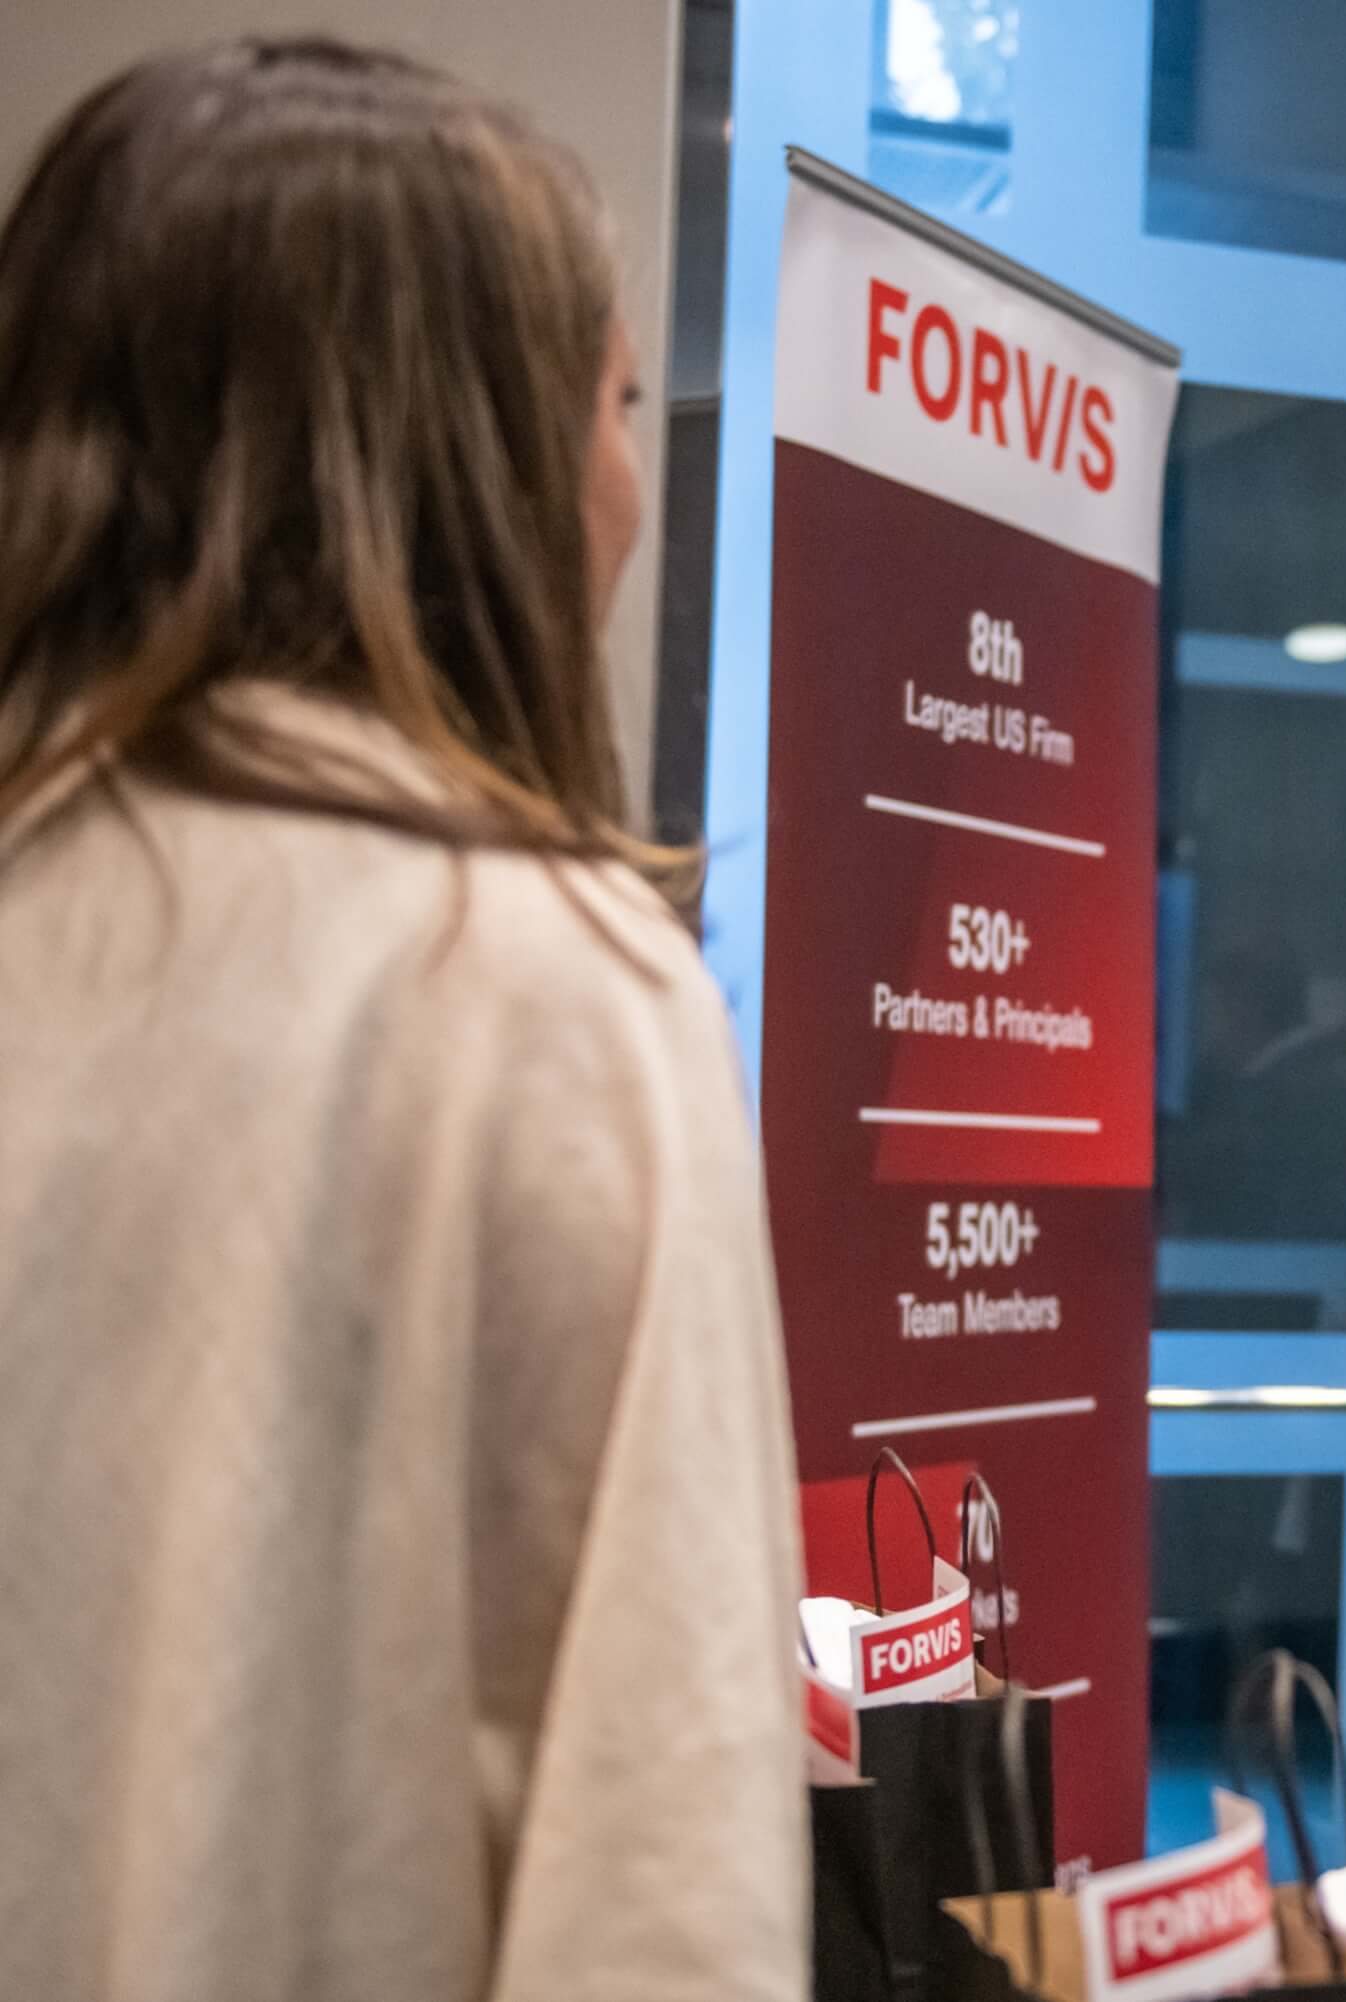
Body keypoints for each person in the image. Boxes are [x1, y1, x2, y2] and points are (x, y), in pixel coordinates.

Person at [0, 41, 807, 2002]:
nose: (632, 486)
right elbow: (661, 1878)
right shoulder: (539, 988)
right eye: (616, 403)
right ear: (465, 465)